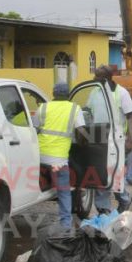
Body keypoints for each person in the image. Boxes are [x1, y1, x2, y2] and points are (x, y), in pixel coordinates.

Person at [36, 83, 86, 230]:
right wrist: (84, 143)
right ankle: (65, 225)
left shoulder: (43, 107)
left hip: (39, 158)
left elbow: (34, 129)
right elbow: (82, 132)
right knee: (63, 191)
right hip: (58, 161)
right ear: (68, 95)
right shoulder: (74, 109)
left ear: (53, 93)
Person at [93, 65, 132, 213]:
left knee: (115, 173)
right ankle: (103, 207)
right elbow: (88, 113)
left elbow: (130, 116)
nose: (94, 80)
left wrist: (130, 139)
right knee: (101, 174)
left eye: (97, 78)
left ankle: (124, 200)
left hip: (117, 142)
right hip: (99, 141)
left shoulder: (122, 93)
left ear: (106, 79)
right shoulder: (95, 93)